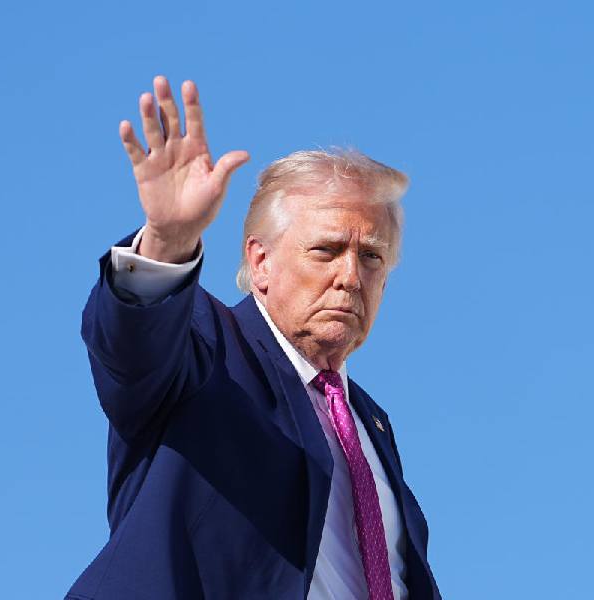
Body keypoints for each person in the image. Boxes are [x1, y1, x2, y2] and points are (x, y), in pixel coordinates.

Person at [66, 75, 441, 600]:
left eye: (372, 257)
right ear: (260, 261)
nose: (351, 277)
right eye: (327, 250)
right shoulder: (205, 350)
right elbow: (130, 345)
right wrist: (167, 242)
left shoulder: (370, 425)